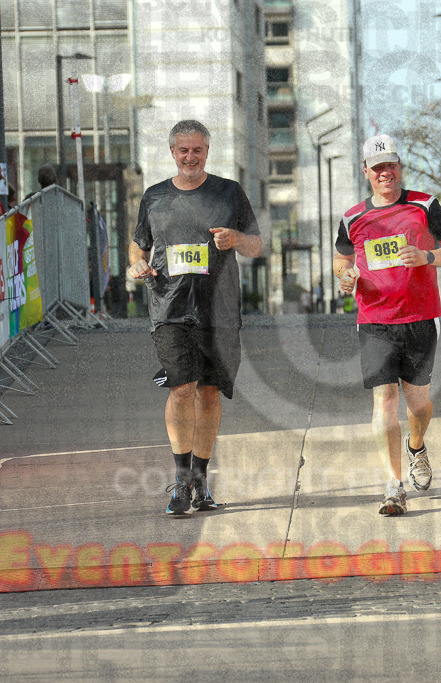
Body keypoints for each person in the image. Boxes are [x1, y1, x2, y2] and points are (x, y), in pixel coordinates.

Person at [127, 120, 263, 516]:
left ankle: (201, 481)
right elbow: (138, 245)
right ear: (173, 152)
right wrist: (137, 265)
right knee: (181, 389)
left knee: (209, 392)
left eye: (197, 150)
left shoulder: (229, 192)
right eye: (183, 150)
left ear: (207, 152)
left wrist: (236, 239)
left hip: (219, 310)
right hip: (169, 307)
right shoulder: (155, 197)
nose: (190, 157)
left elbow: (256, 245)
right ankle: (182, 480)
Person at [333, 134, 441, 516]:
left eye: (390, 165)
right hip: (375, 320)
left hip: (420, 317)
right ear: (366, 172)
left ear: (399, 167)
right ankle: (393, 484)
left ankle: (416, 447)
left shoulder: (424, 205)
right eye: (377, 168)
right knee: (385, 400)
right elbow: (342, 261)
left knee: (418, 404)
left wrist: (426, 256)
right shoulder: (352, 218)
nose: (384, 173)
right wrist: (345, 276)